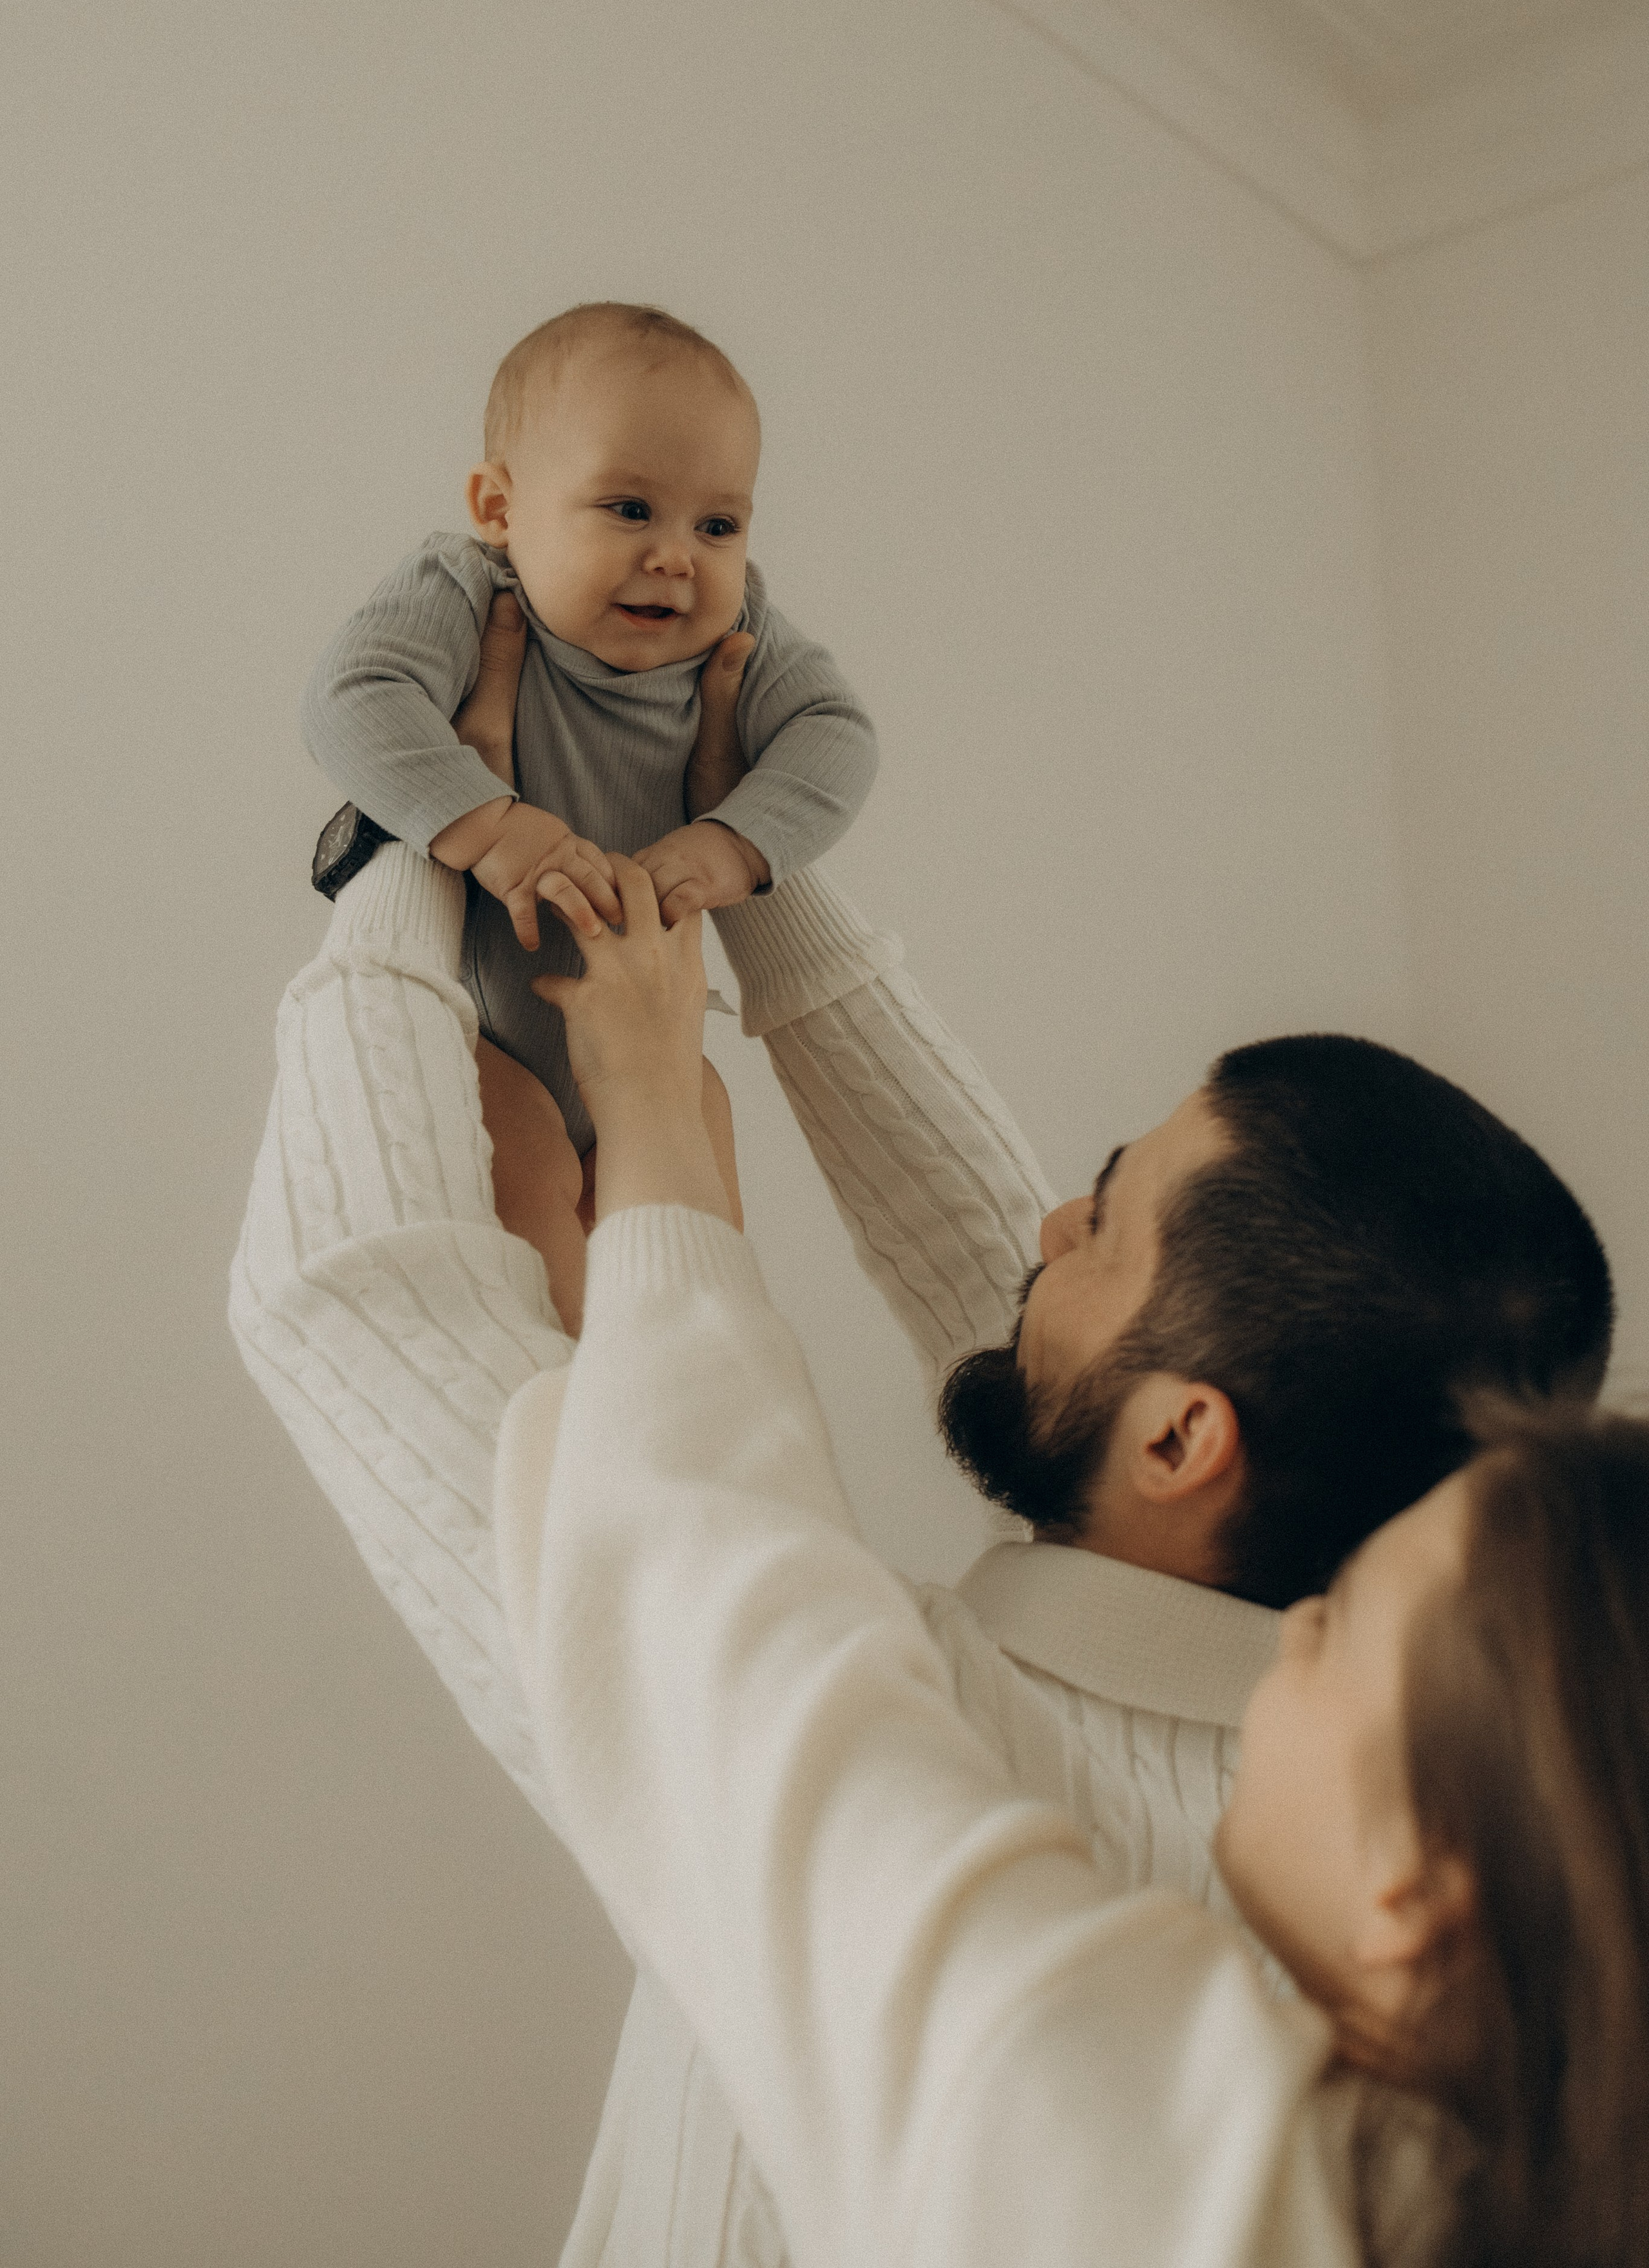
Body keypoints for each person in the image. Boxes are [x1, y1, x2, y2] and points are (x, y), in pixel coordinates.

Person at [231, 602, 1610, 2267]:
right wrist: (733, 855)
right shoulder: (1435, 1871)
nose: (1041, 1225)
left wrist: (412, 848)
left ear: (1185, 1444)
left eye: (1102, 1220)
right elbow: (1012, 1304)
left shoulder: (969, 1784)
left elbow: (360, 1309)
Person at [500, 862, 1649, 2266]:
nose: (1289, 1636)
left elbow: (716, 1635)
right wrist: (760, 869)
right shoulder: (1511, 2161)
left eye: (1342, 1626)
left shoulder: (1124, 2115)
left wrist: (646, 1139)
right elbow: (1005, 1274)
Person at [300, 300, 877, 1156]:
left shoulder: (736, 628)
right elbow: (353, 696)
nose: (678, 556)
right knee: (550, 1271)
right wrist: (492, 826)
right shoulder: (468, 592)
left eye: (717, 526)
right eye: (630, 509)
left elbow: (836, 733)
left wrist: (734, 845)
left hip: (660, 1055)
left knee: (699, 1258)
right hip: (493, 1054)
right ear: (500, 508)